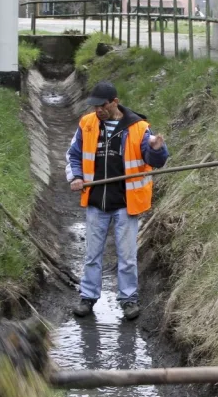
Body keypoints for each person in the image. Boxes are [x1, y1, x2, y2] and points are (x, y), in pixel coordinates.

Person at [65, 81, 169, 320]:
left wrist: (156, 148)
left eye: (101, 106)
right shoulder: (87, 124)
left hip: (125, 202)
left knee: (127, 256)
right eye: (94, 106)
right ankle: (88, 297)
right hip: (96, 202)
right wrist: (77, 177)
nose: (97, 110)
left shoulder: (139, 127)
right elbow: (74, 154)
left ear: (114, 102)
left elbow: (155, 159)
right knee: (92, 255)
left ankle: (128, 300)